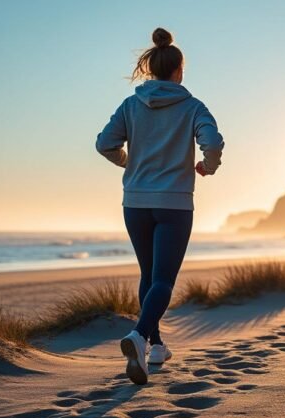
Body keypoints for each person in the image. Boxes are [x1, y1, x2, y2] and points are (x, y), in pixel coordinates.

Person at [96, 28, 225, 385]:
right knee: (164, 280)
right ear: (179, 70)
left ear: (150, 68)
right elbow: (212, 142)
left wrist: (129, 162)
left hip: (135, 202)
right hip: (174, 204)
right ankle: (138, 337)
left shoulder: (130, 105)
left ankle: (155, 346)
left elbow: (105, 144)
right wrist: (207, 167)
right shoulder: (193, 106)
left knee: (149, 275)